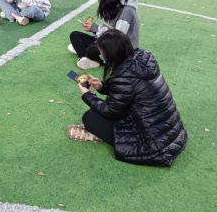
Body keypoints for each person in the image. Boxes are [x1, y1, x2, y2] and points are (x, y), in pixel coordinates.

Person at [66, 29, 187, 167]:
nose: (100, 55)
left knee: (90, 118)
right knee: (104, 113)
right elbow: (128, 91)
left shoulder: (123, 77)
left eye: (101, 52)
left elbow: (109, 112)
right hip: (173, 135)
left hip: (155, 147)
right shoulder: (142, 60)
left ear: (110, 54)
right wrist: (102, 86)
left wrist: (87, 95)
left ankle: (94, 135)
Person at [68, 0, 139, 70]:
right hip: (106, 42)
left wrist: (96, 28)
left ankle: (90, 56)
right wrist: (94, 30)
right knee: (75, 35)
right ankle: (84, 58)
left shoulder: (126, 11)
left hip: (122, 49)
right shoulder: (112, 5)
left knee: (91, 50)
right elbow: (106, 28)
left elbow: (117, 37)